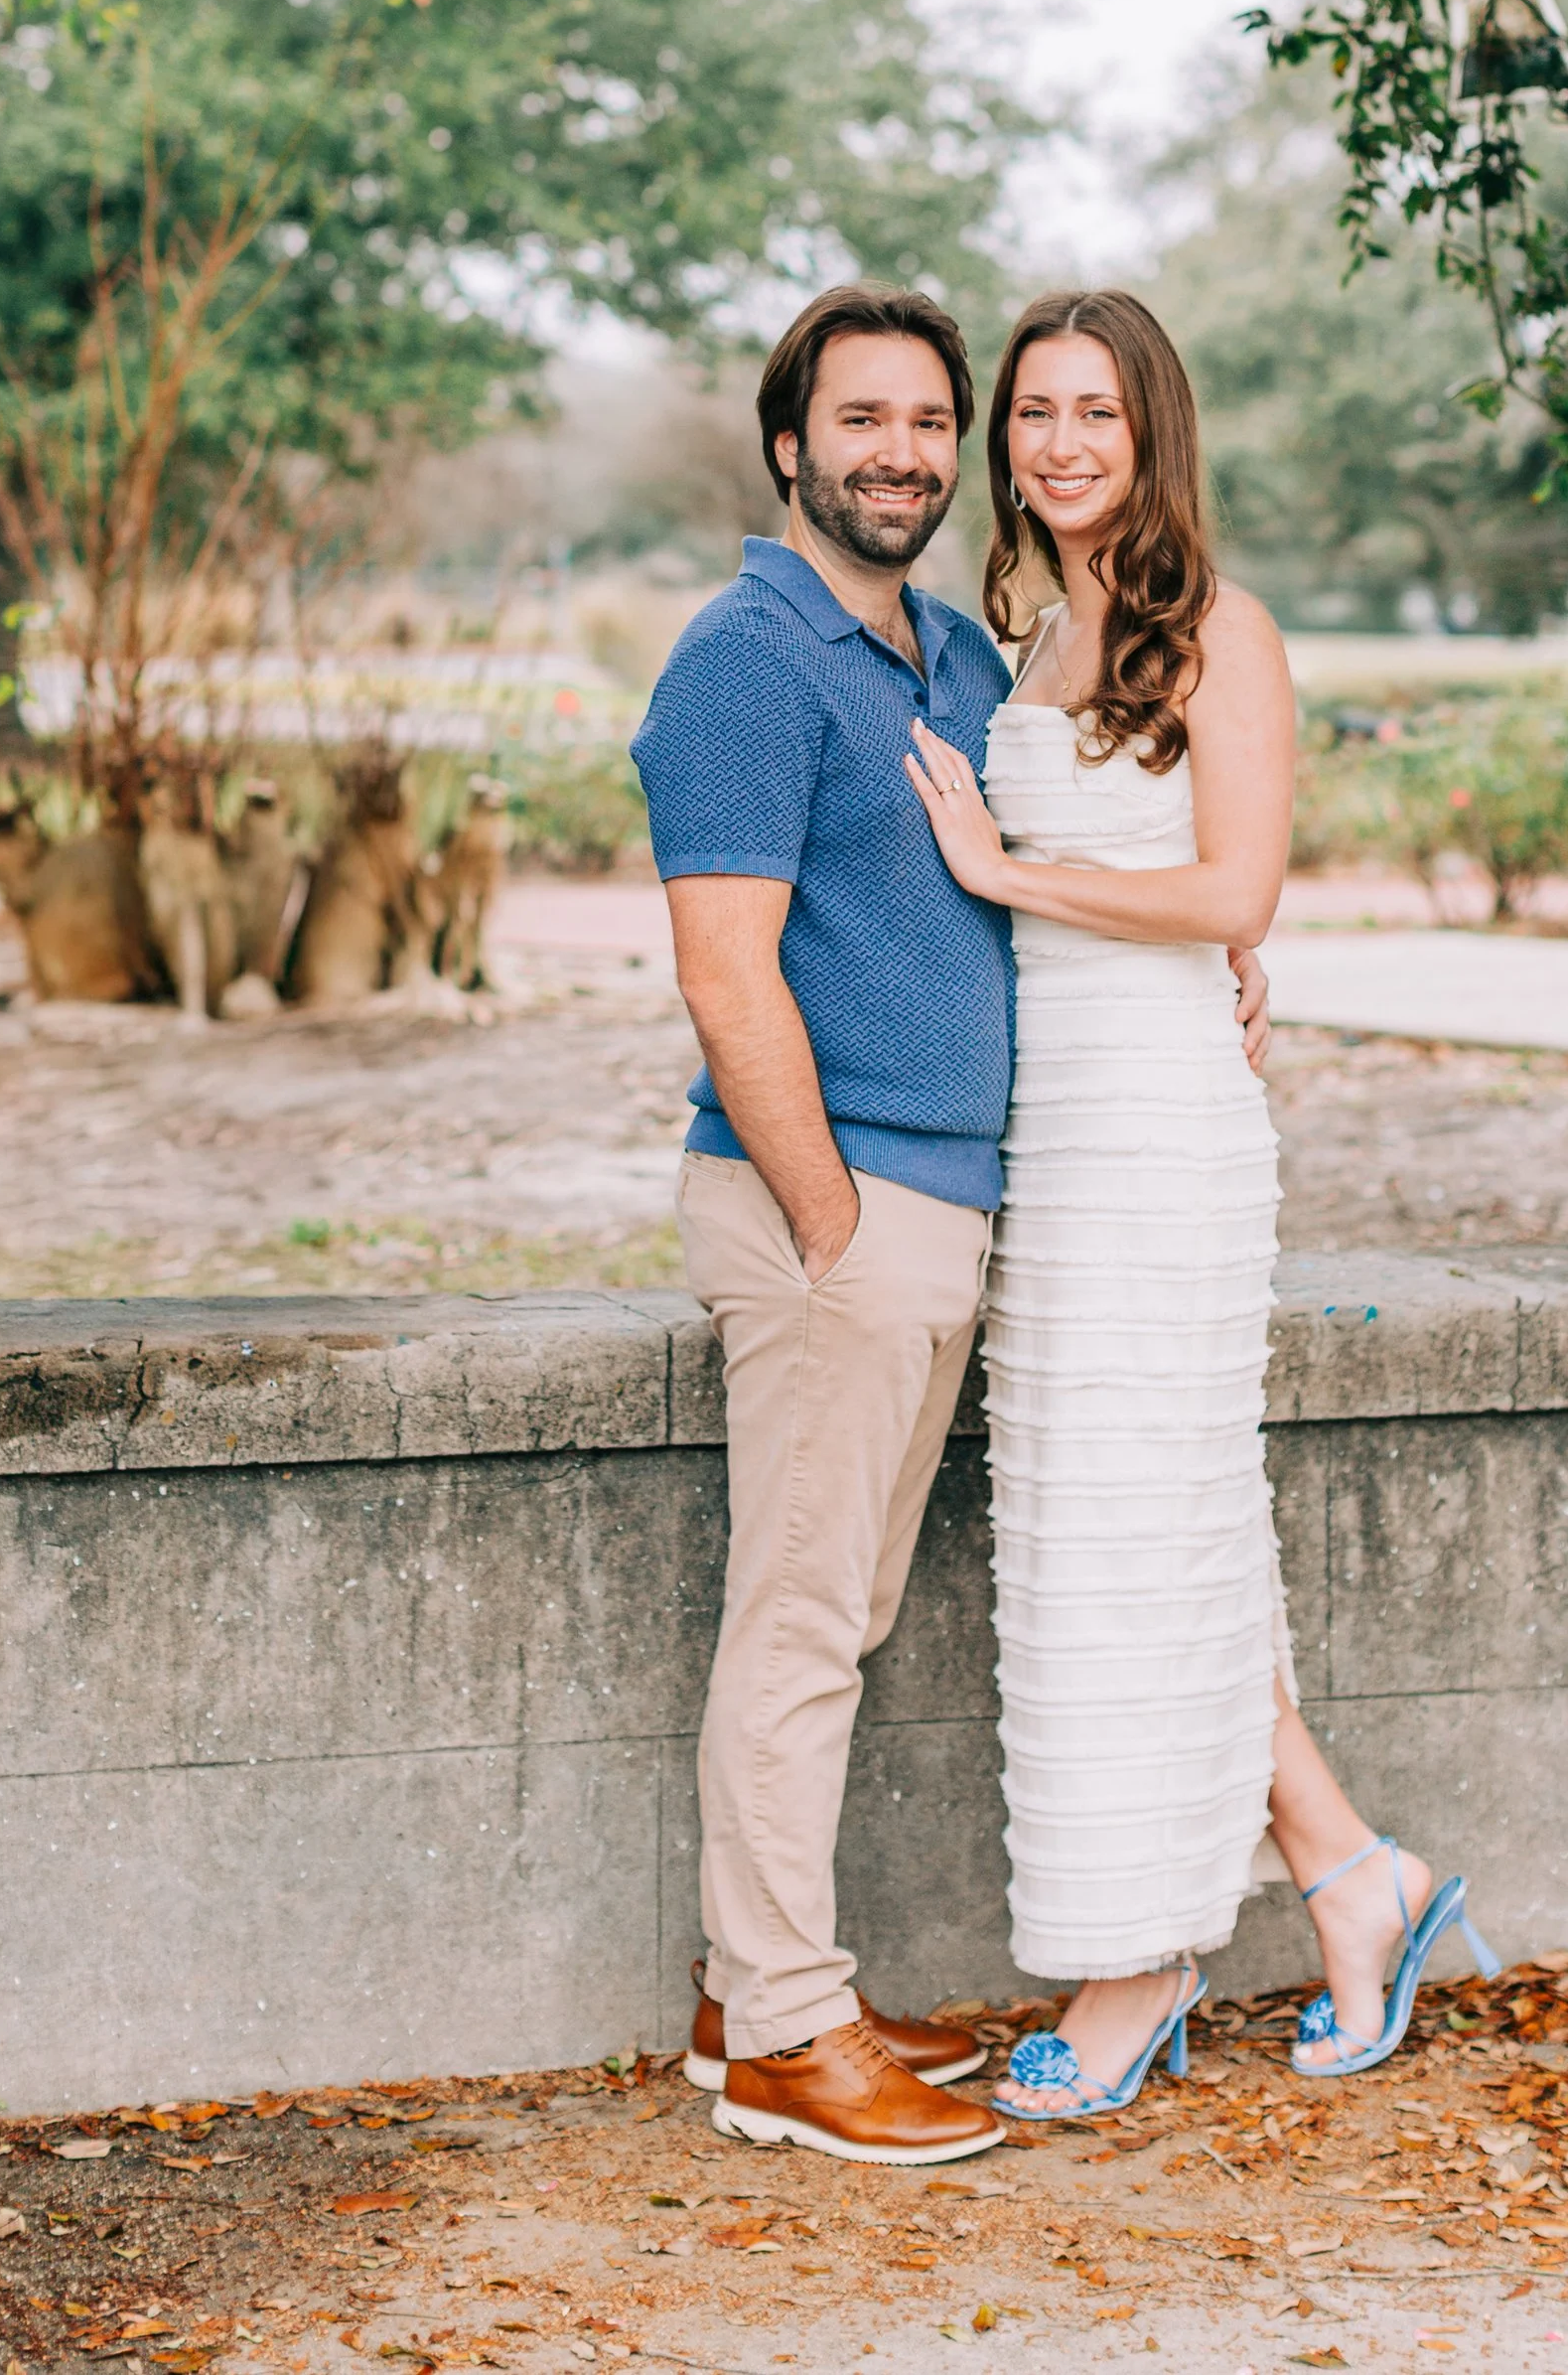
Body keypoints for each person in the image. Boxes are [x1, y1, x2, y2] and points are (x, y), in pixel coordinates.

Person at [631, 284, 1271, 2167]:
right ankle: (782, 2039)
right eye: (864, 422)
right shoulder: (746, 658)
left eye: (931, 421)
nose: (904, 451)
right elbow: (724, 970)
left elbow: (1086, 870)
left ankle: (754, 1983)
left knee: (847, 1603)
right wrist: (830, 1215)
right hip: (841, 1206)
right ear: (787, 446)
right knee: (807, 1616)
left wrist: (1233, 958)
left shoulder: (950, 661)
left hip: (954, 1194)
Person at [906, 288, 1496, 2120]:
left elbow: (1236, 890)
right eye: (1035, 413)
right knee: (1118, 1532)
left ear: (1154, 431)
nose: (1061, 442)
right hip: (1053, 1131)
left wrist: (1018, 869)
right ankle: (1347, 1876)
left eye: (1097, 410)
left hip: (1162, 1134)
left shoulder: (1222, 632)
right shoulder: (1027, 634)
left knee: (1132, 1529)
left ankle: (1139, 1957)